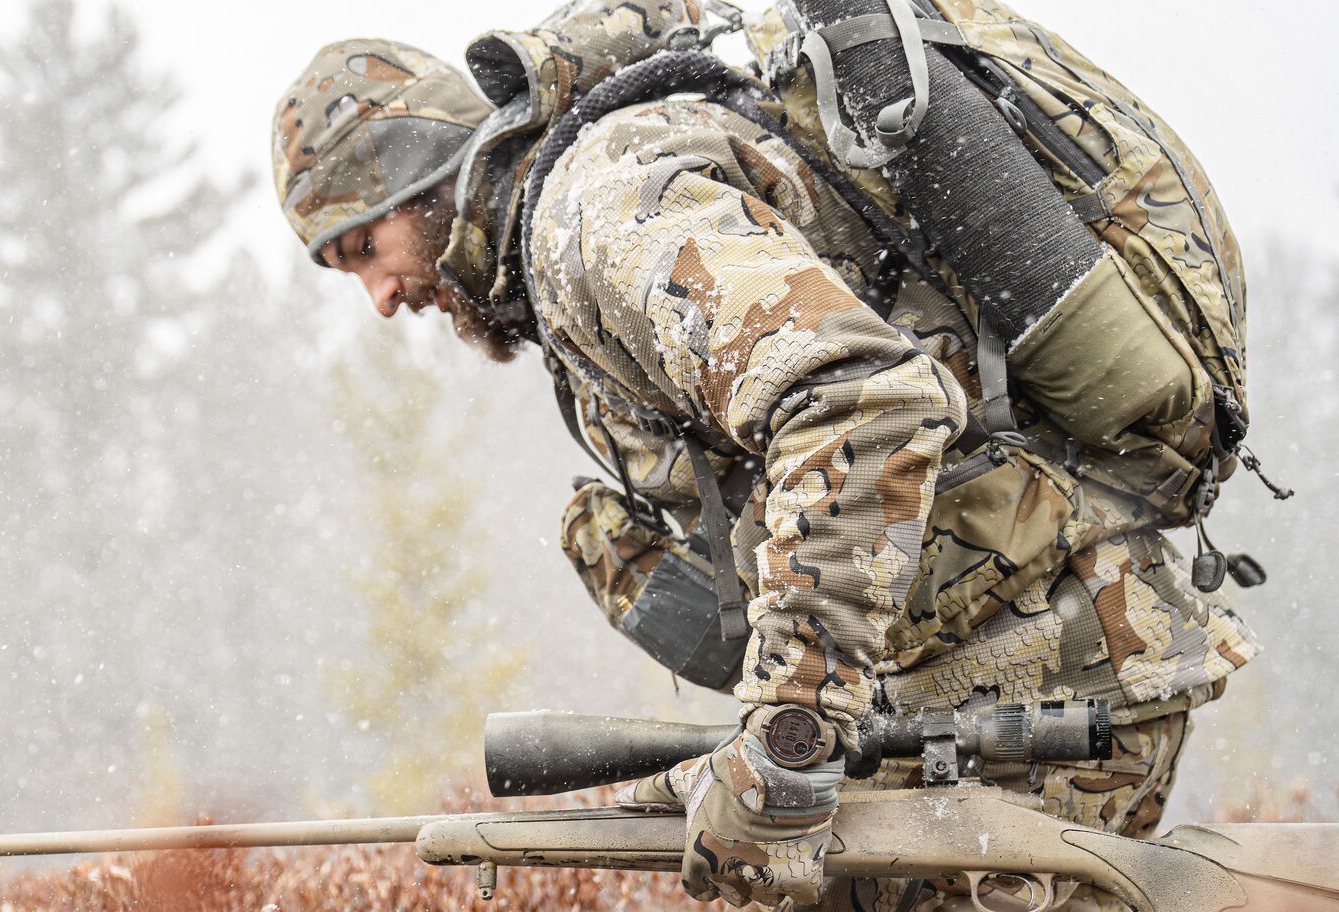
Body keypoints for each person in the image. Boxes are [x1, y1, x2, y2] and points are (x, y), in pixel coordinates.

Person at [270, 4, 1257, 909]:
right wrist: (750, 742)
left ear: (421, 171)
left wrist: (789, 734)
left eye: (364, 247)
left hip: (1036, 677)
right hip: (995, 676)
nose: (382, 299)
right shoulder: (580, 222)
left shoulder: (598, 211)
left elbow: (862, 403)